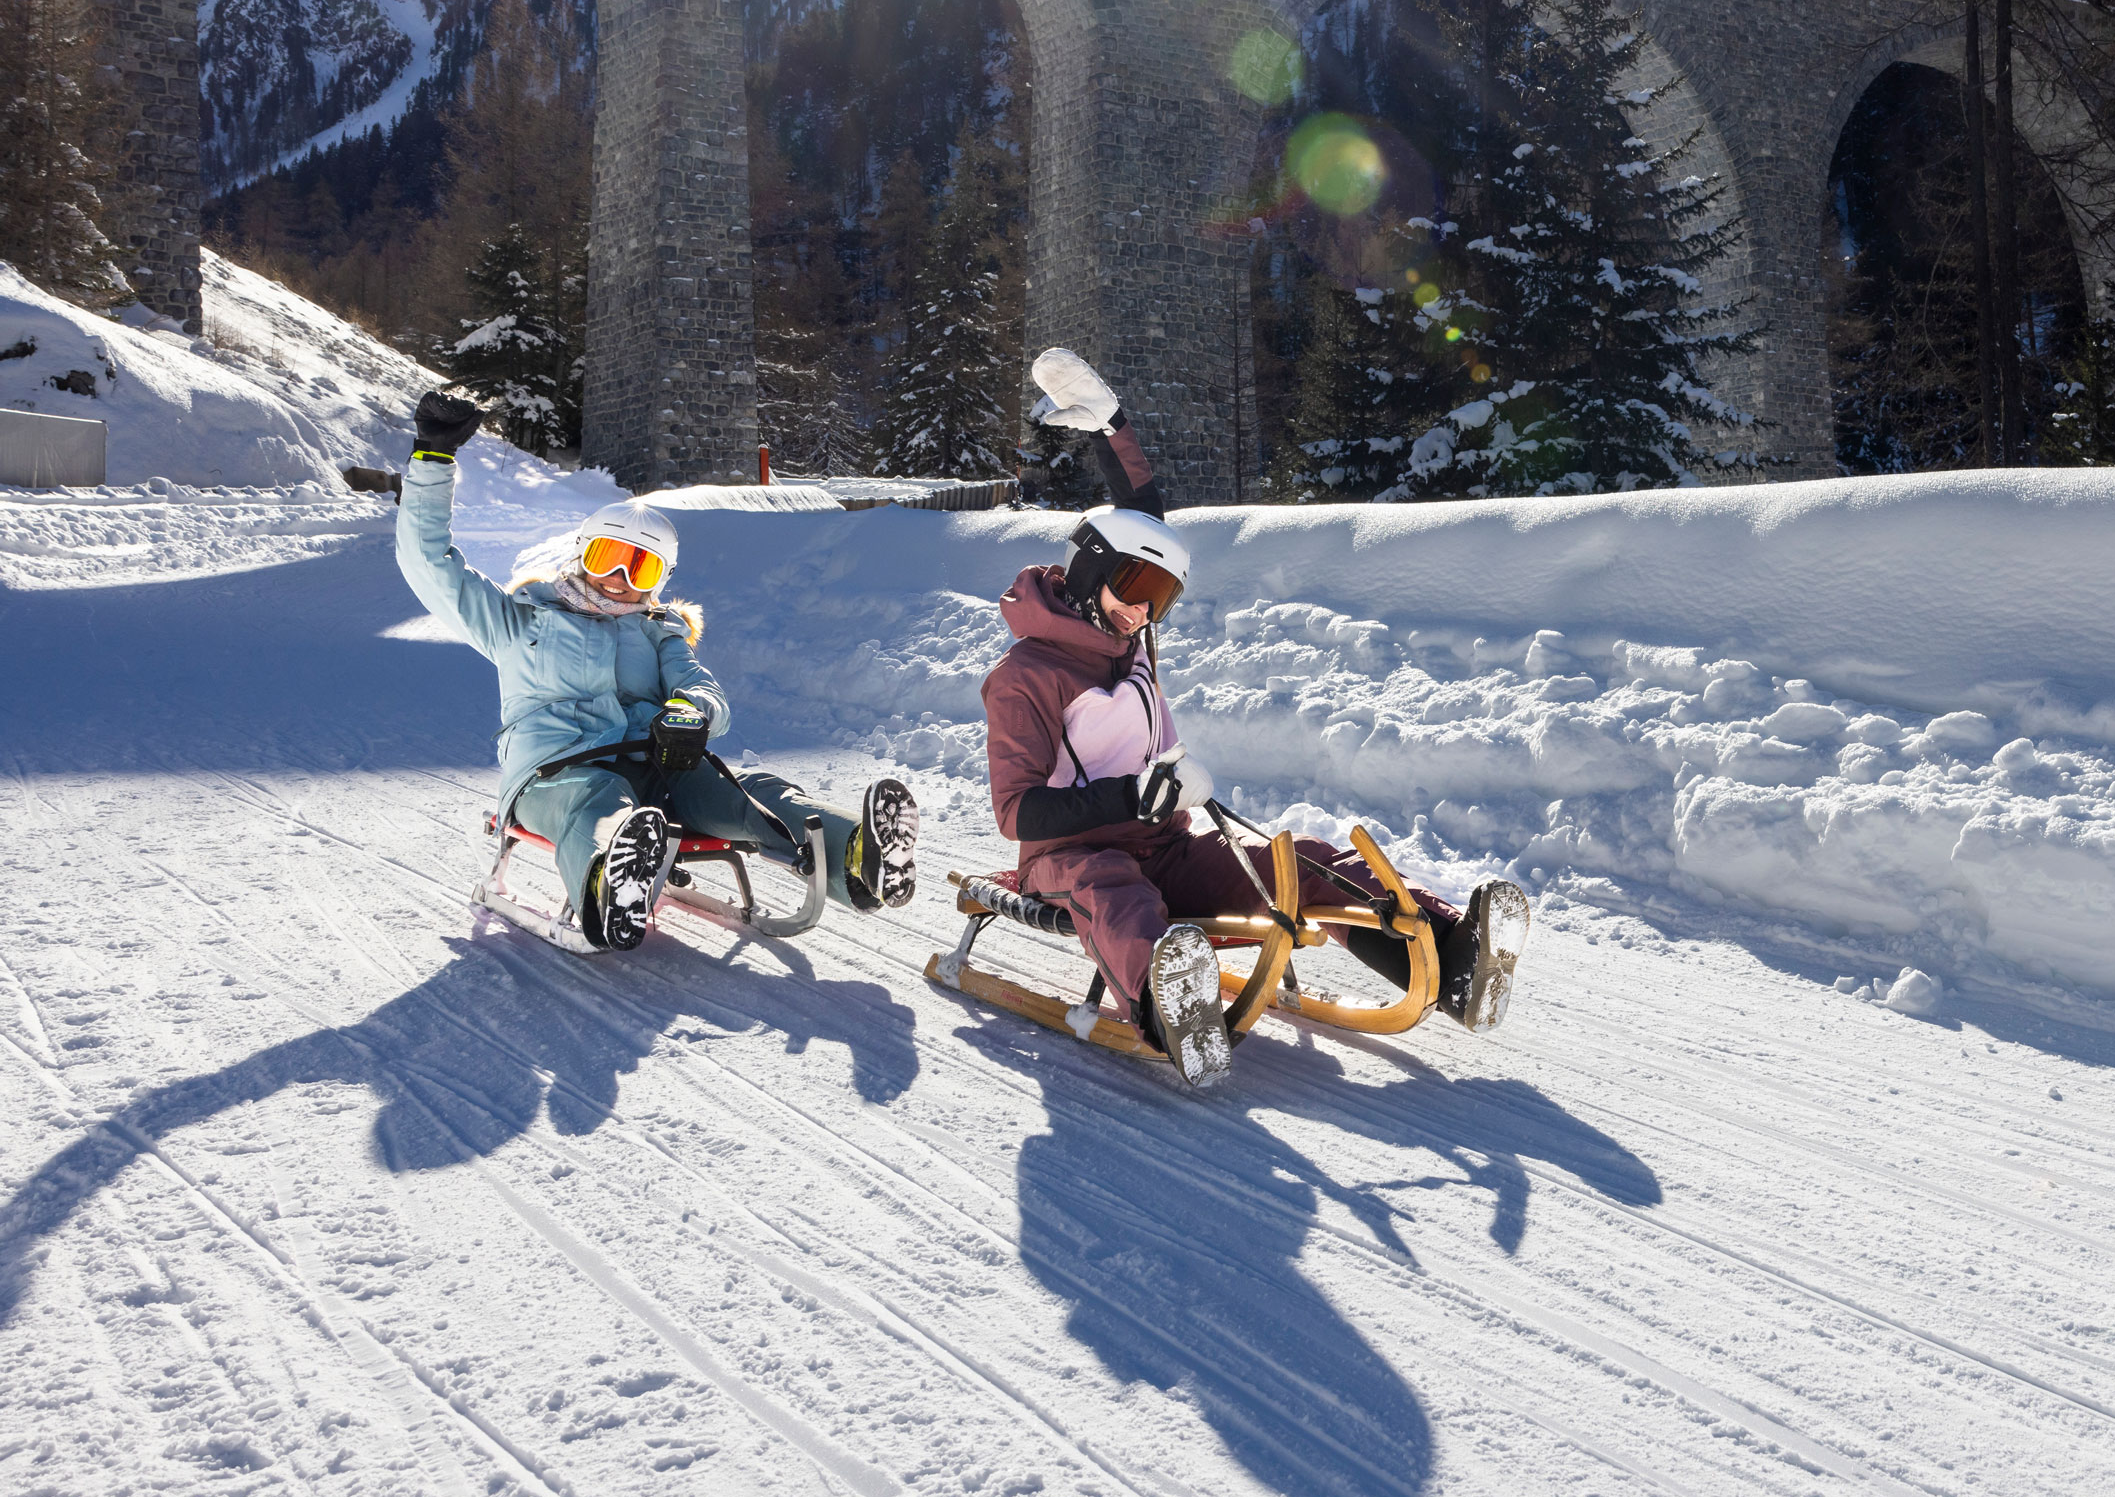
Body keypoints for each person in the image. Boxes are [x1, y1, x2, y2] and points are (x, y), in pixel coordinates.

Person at [983, 347, 1527, 1087]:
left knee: (1299, 863)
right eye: (1134, 586)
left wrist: (1112, 425)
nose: (1144, 609)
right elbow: (1017, 814)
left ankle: (1449, 958)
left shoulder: (1124, 630)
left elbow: (1144, 513)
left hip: (1165, 845)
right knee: (1119, 897)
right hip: (1069, 859)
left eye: (1160, 597)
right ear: (1088, 572)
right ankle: (1175, 1011)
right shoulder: (1026, 677)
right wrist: (1125, 798)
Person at [397, 391, 918, 950]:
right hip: (555, 775)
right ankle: (609, 884)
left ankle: (858, 857)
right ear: (581, 555)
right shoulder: (519, 619)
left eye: (640, 566)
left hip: (657, 769)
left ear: (658, 580)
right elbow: (428, 565)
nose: (620, 577)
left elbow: (701, 688)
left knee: (746, 794)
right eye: (606, 557)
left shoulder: (658, 630)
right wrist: (432, 460)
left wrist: (691, 714)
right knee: (597, 800)